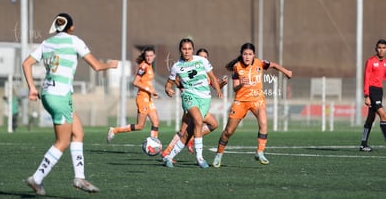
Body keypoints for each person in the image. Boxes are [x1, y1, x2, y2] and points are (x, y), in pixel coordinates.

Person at [22, 13, 118, 195]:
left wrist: (32, 88)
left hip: (48, 93)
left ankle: (79, 178)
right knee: (62, 142)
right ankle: (37, 178)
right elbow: (96, 66)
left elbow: (26, 63)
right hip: (60, 95)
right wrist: (111, 64)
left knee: (78, 132)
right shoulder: (75, 41)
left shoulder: (46, 43)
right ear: (71, 27)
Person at [212, 42, 292, 168]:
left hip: (257, 99)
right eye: (245, 54)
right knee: (228, 131)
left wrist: (286, 71)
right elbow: (235, 89)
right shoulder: (237, 67)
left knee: (264, 123)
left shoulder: (260, 63)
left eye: (250, 54)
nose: (247, 57)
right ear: (241, 55)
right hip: (241, 102)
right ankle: (219, 154)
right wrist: (241, 84)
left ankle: (260, 152)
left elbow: (274, 65)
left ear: (254, 55)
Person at [163, 38, 223, 168]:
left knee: (189, 132)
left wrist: (218, 90)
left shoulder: (201, 60)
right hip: (189, 96)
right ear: (180, 50)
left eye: (189, 49)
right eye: (184, 49)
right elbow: (169, 83)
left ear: (193, 49)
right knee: (199, 122)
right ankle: (200, 158)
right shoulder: (176, 66)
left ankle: (169, 156)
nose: (187, 51)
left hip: (205, 98)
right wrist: (168, 89)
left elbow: (212, 77)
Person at [107, 47, 160, 142]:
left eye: (151, 55)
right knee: (140, 126)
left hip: (148, 98)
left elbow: (146, 82)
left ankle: (153, 144)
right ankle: (114, 130)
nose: (149, 58)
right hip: (142, 98)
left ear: (154, 56)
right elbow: (135, 82)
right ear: (144, 56)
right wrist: (149, 90)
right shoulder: (143, 66)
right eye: (147, 56)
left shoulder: (150, 66)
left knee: (155, 121)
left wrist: (153, 91)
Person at [359, 39, 386, 152]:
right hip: (372, 91)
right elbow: (366, 78)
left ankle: (363, 144)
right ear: (376, 48)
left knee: (370, 118)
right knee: (383, 115)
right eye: (379, 47)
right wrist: (366, 95)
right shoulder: (370, 61)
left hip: (379, 91)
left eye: (384, 48)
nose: (381, 50)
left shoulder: (385, 62)